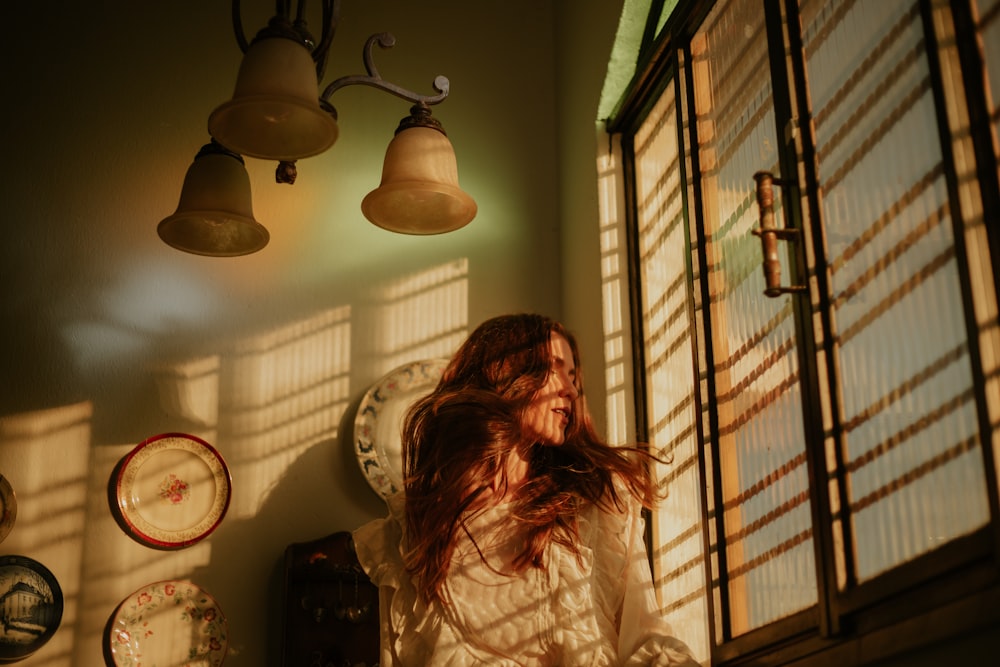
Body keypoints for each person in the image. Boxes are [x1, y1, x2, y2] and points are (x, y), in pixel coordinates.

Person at [353, 313, 699, 666]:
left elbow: (645, 636)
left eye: (574, 376)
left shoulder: (597, 503)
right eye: (556, 368)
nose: (572, 390)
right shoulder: (405, 532)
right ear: (503, 371)